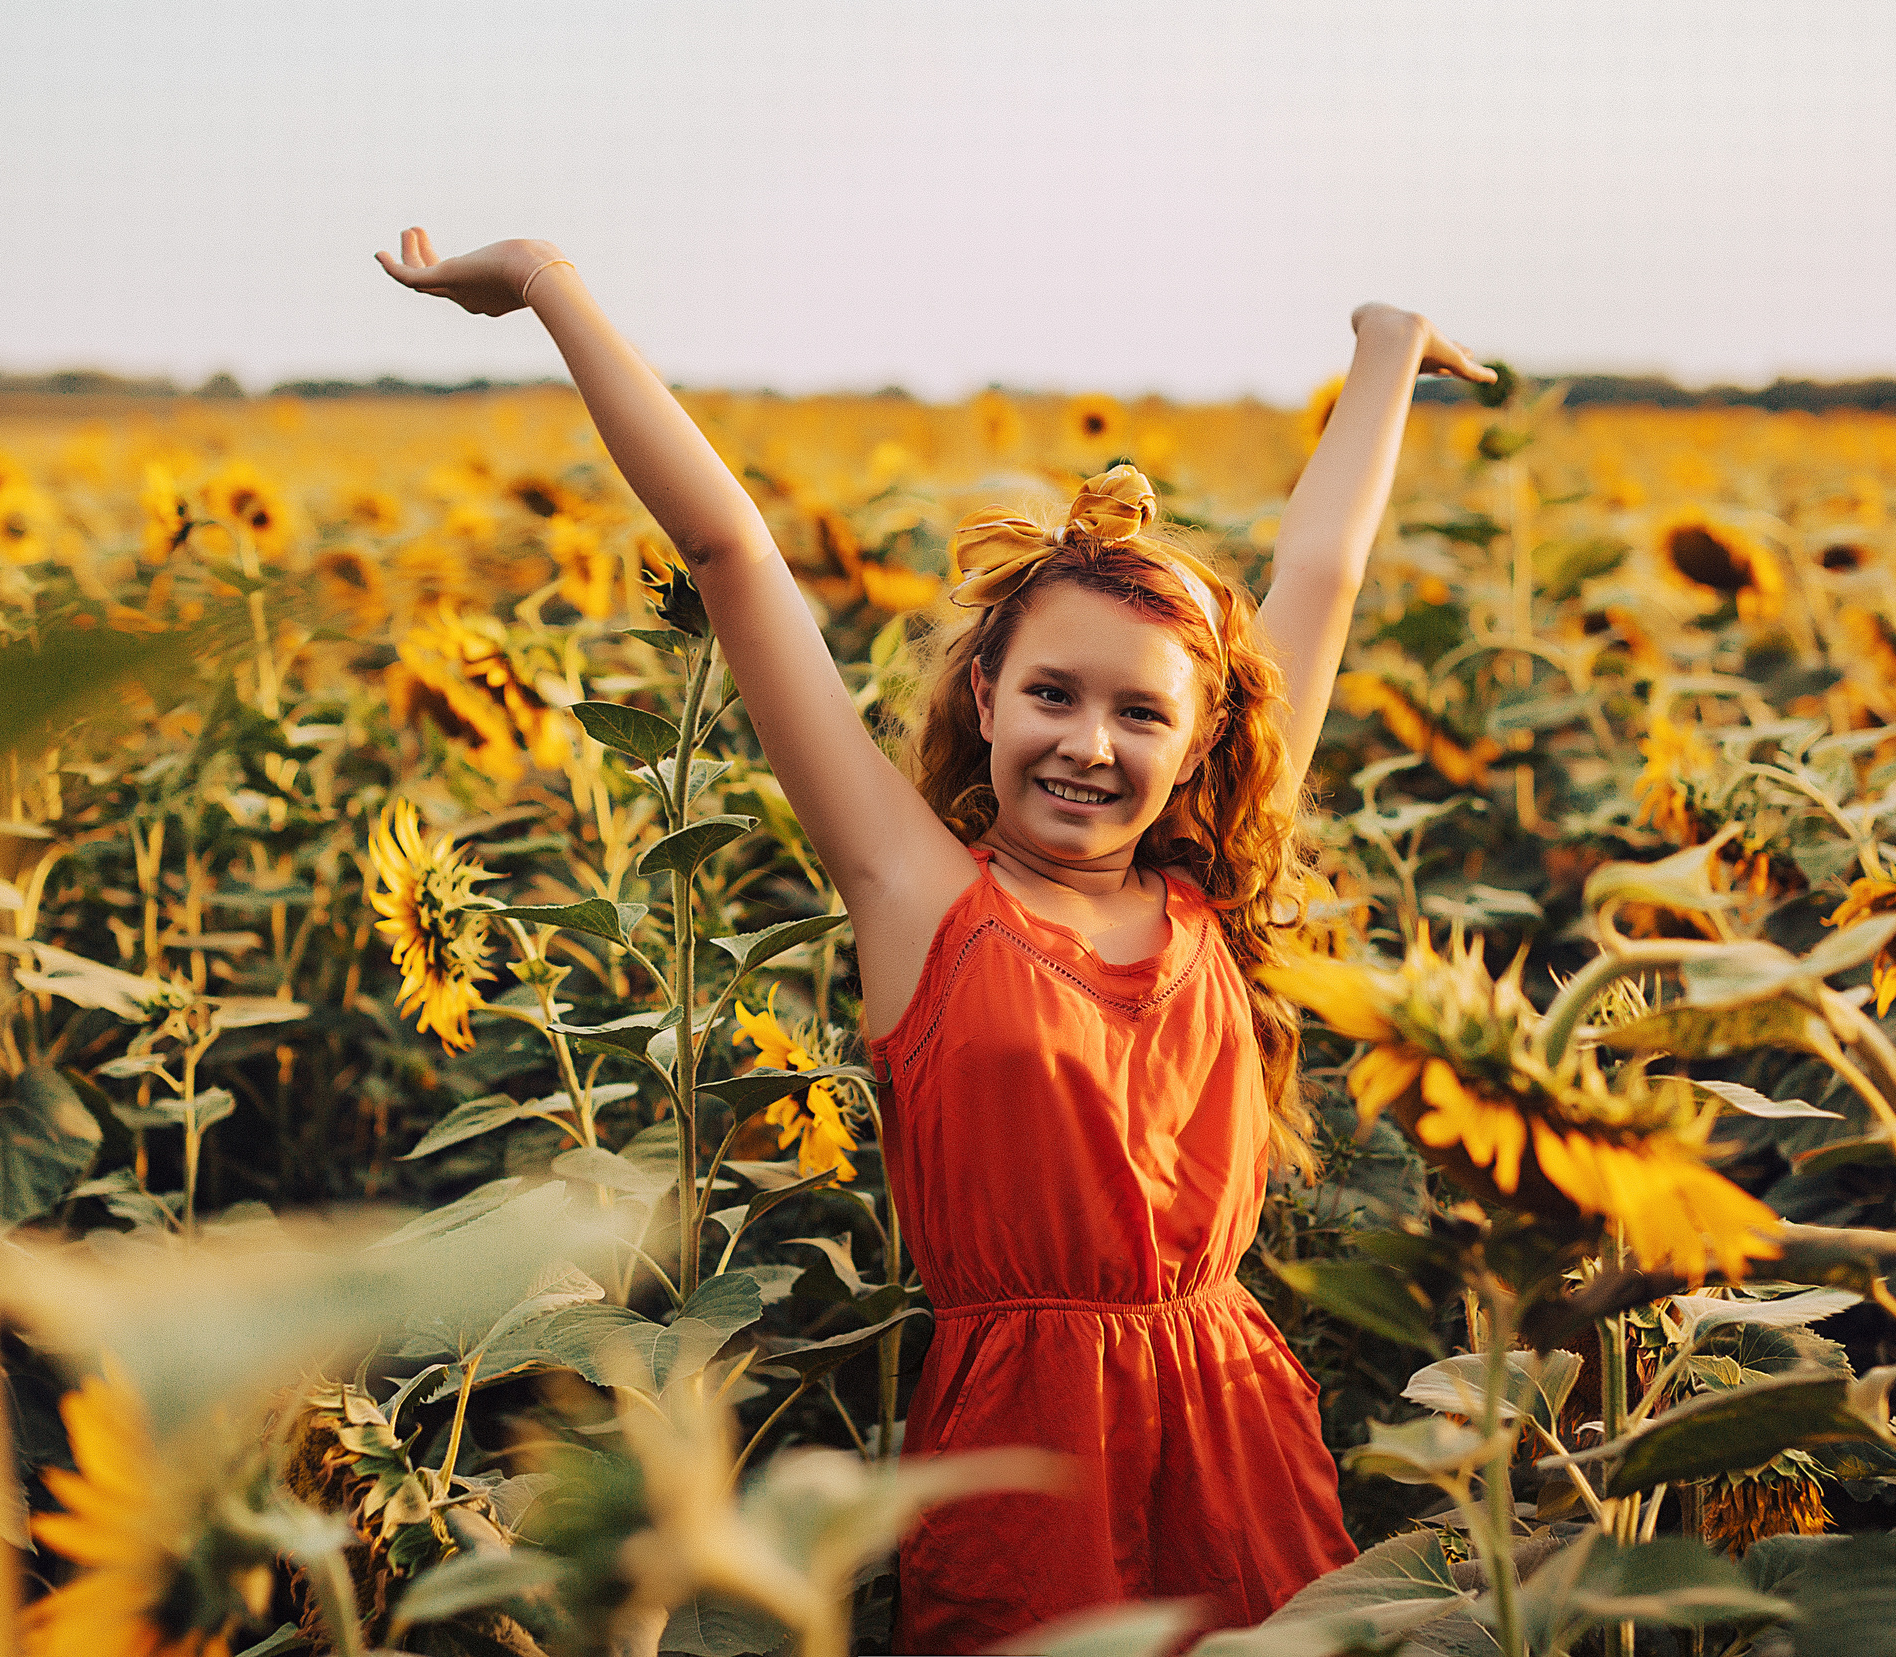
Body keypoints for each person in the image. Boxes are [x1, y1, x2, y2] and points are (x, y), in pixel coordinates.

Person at [377, 229, 1491, 1651]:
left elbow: (1321, 579)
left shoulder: (1214, 890)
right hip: (1024, 1466)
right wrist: (546, 284)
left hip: (1236, 1423)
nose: (1090, 744)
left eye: (1143, 713)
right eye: (1054, 695)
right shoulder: (919, 894)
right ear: (985, 691)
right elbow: (730, 551)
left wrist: (1386, 348)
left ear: (1205, 735)